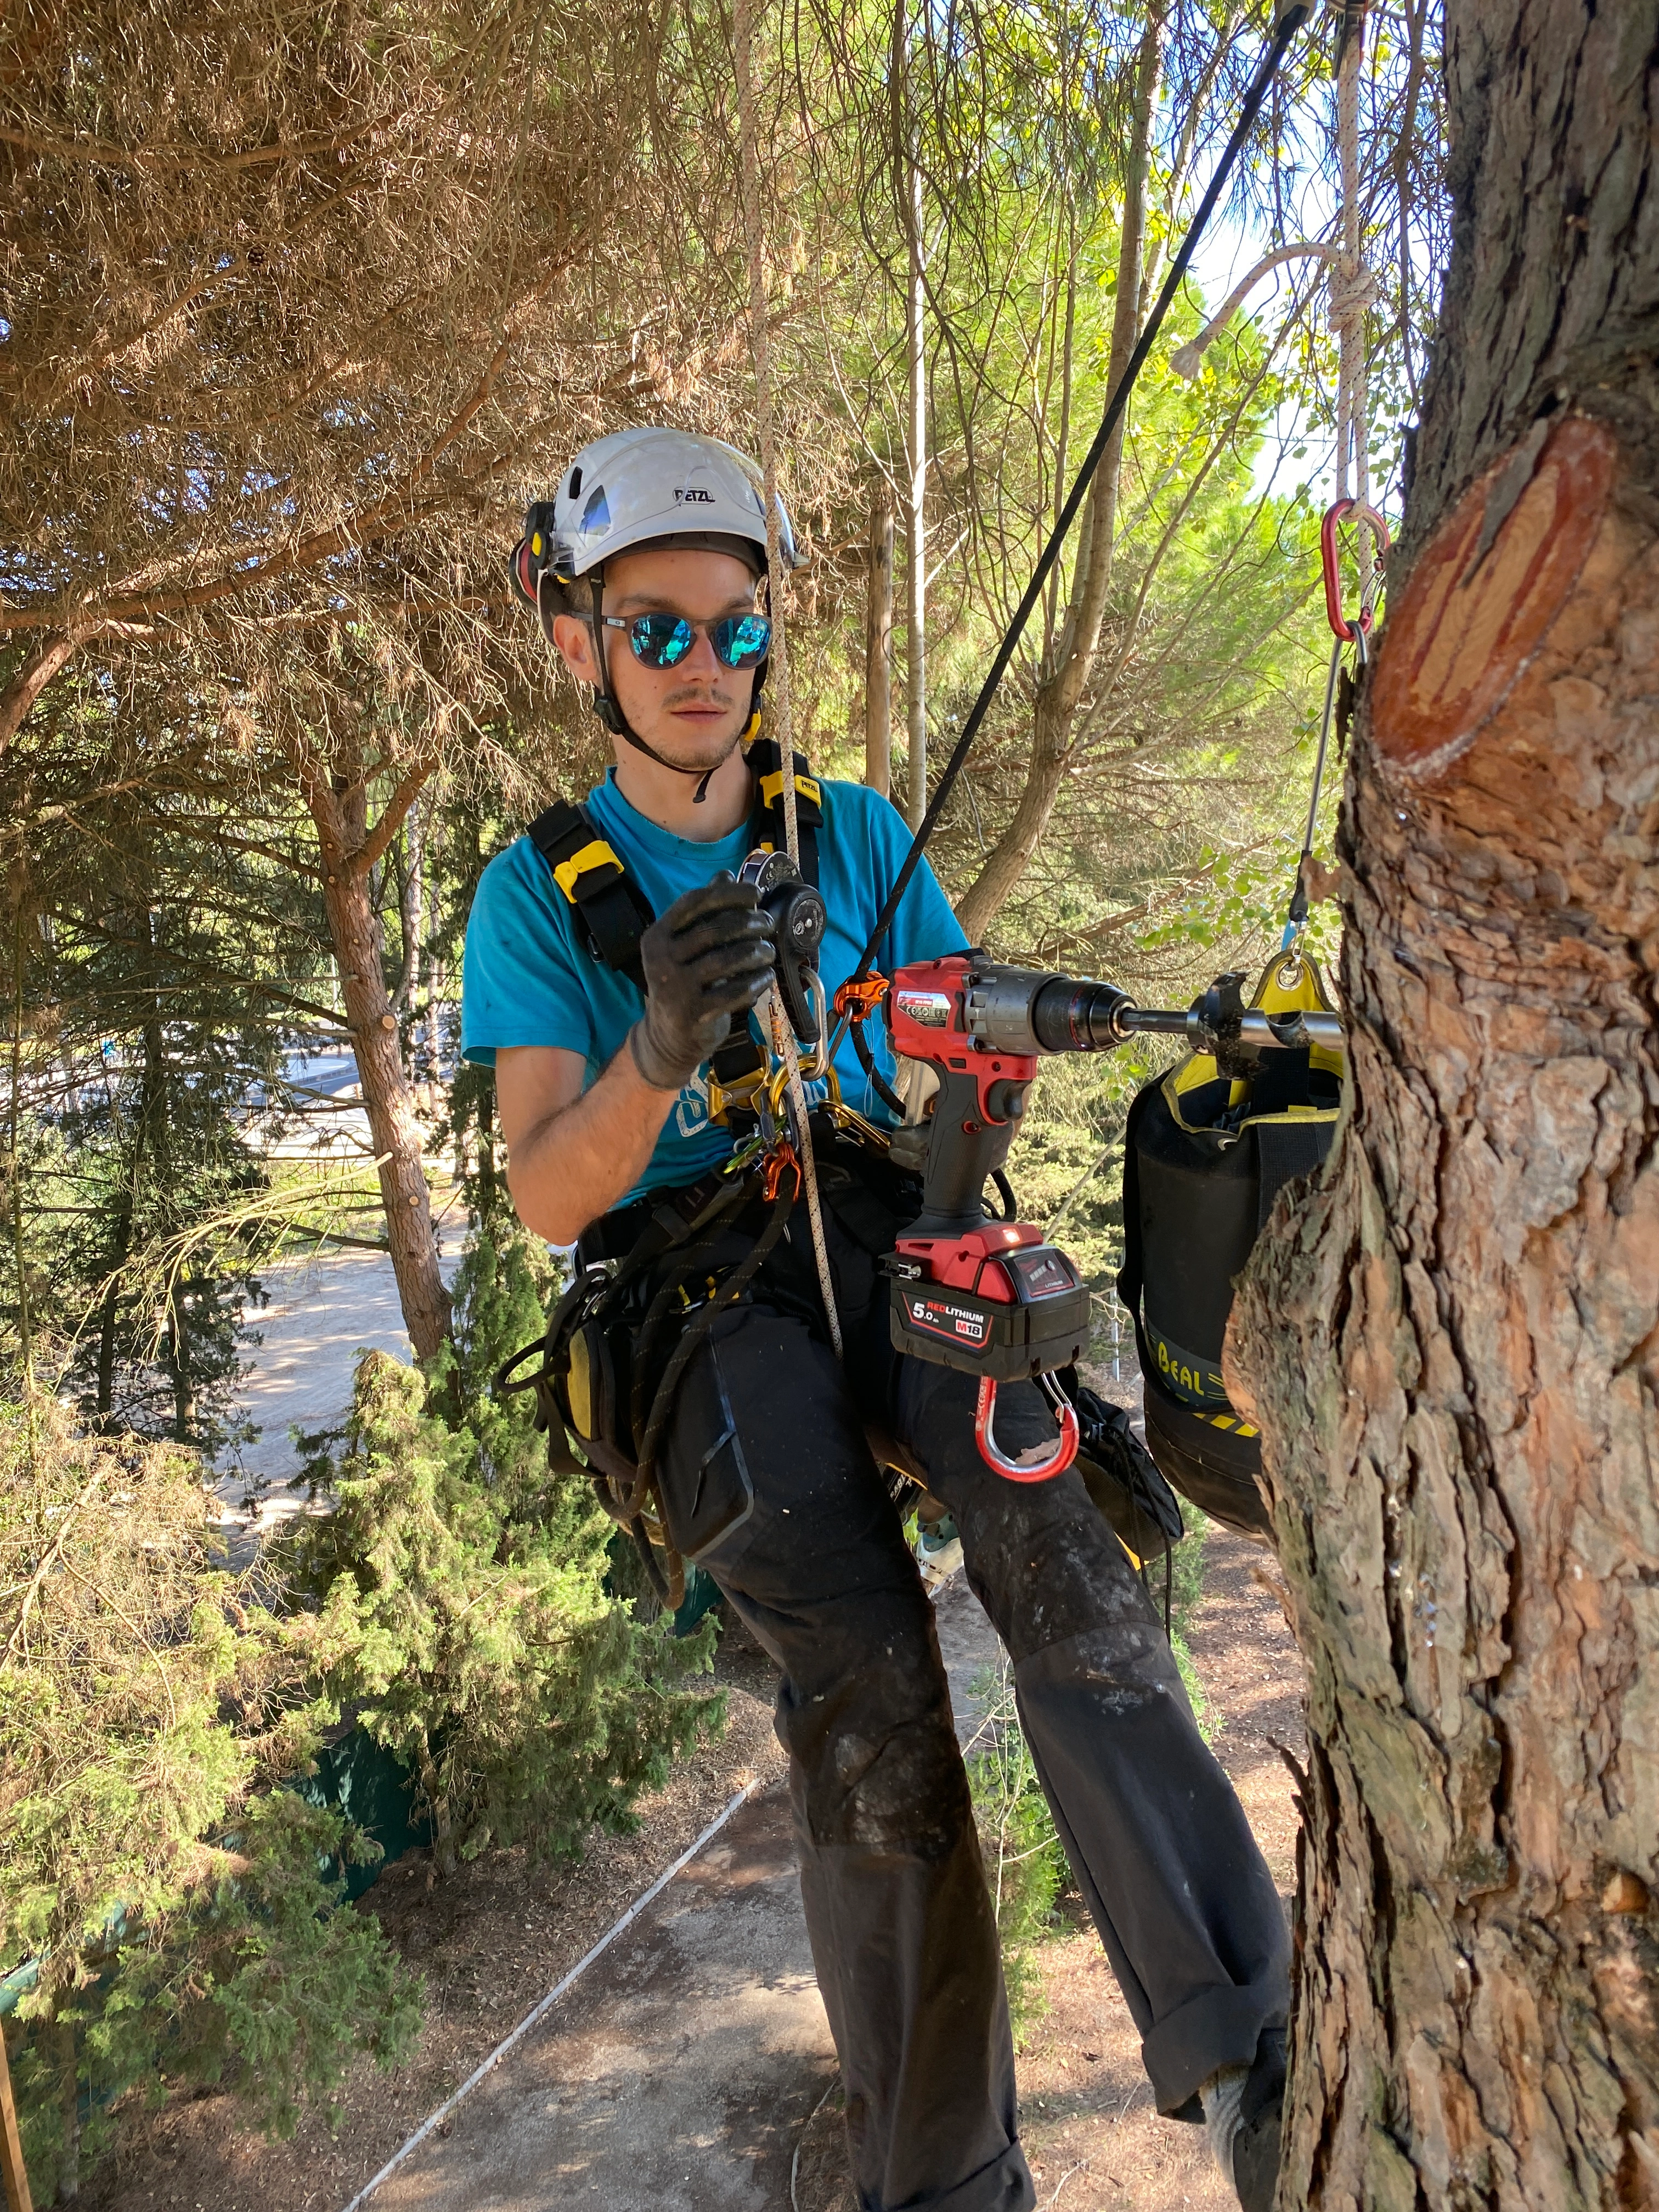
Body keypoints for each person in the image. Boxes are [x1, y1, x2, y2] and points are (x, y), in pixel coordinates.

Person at [461, 426, 1290, 2212]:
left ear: (773, 638)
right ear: (576, 641)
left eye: (733, 630)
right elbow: (545, 1189)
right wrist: (663, 1042)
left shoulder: (850, 838)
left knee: (1050, 1533)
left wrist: (967, 1123)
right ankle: (950, 2189)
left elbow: (941, 1042)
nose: (702, 667)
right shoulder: (544, 891)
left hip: (881, 1218)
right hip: (697, 1302)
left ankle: (1250, 2043)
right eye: (657, 630)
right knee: (874, 1706)